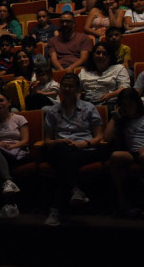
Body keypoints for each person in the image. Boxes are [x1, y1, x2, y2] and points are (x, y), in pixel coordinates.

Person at [43, 73, 106, 227]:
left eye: (71, 86)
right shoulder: (52, 111)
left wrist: (84, 144)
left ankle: (55, 210)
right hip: (60, 148)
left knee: (63, 162)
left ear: (78, 88)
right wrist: (58, 141)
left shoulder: (89, 108)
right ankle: (75, 190)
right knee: (63, 152)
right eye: (64, 86)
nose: (67, 89)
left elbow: (99, 137)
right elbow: (48, 141)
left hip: (84, 150)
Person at [104, 88, 144, 217]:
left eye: (129, 105)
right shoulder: (122, 121)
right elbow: (106, 138)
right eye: (123, 105)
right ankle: (123, 201)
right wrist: (115, 117)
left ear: (137, 104)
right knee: (115, 156)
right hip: (132, 153)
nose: (126, 108)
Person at [79, 42, 130, 112]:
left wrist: (109, 95)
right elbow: (76, 90)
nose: (101, 56)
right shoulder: (84, 71)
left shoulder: (119, 68)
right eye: (98, 53)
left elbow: (125, 88)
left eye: (104, 54)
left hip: (110, 103)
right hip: (88, 103)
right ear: (93, 55)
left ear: (110, 56)